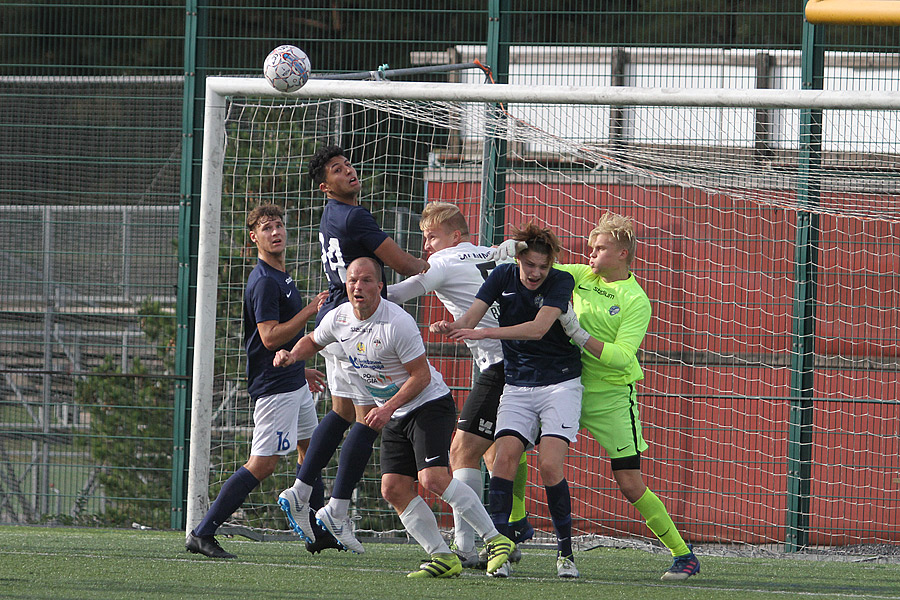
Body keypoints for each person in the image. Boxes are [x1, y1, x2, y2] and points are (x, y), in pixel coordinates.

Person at [274, 257, 515, 578]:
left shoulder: (397, 323)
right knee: (394, 489)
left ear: (380, 286)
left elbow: (421, 377)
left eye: (366, 280)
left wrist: (386, 407)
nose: (358, 286)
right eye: (352, 280)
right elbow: (313, 340)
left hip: (429, 405)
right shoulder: (339, 317)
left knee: (432, 478)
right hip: (397, 412)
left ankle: (496, 540)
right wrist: (292, 355)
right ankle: (443, 556)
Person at [498, 211, 701, 581]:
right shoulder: (582, 274)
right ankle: (514, 524)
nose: (590, 255)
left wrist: (578, 334)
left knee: (630, 482)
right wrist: (513, 248)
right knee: (509, 449)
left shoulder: (636, 301)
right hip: (562, 385)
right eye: (590, 249)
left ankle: (683, 554)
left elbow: (623, 356)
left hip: (610, 398)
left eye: (600, 249)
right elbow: (543, 265)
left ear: (623, 254)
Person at [277, 145, 429, 554]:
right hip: (351, 322)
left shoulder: (331, 213)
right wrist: (438, 266)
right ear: (326, 187)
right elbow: (400, 262)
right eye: (337, 170)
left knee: (344, 412)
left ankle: (310, 496)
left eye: (348, 165)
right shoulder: (355, 215)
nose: (349, 171)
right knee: (366, 417)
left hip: (337, 317)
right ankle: (326, 505)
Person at [431, 222, 583, 579]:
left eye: (543, 267)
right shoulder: (502, 276)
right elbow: (469, 317)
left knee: (549, 466)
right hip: (517, 384)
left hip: (560, 383)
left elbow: (538, 328)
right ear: (518, 259)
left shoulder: (561, 282)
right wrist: (451, 327)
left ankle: (565, 553)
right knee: (503, 460)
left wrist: (483, 331)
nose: (536, 273)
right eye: (530, 265)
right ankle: (498, 548)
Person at [385, 202, 534, 568]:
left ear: (454, 236)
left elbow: (398, 294)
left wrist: (353, 291)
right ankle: (512, 527)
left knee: (462, 451)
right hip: (524, 360)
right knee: (493, 454)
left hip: (503, 364)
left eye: (431, 237)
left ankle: (468, 547)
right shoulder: (491, 252)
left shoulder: (445, 260)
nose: (426, 248)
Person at [185, 203, 327, 559]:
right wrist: (309, 311)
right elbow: (268, 338)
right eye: (266, 228)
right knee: (262, 464)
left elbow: (281, 342)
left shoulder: (281, 275)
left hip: (291, 379)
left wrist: (300, 367)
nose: (275, 232)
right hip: (274, 388)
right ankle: (203, 532)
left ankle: (316, 532)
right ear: (254, 237)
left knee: (312, 449)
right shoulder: (264, 281)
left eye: (279, 225)